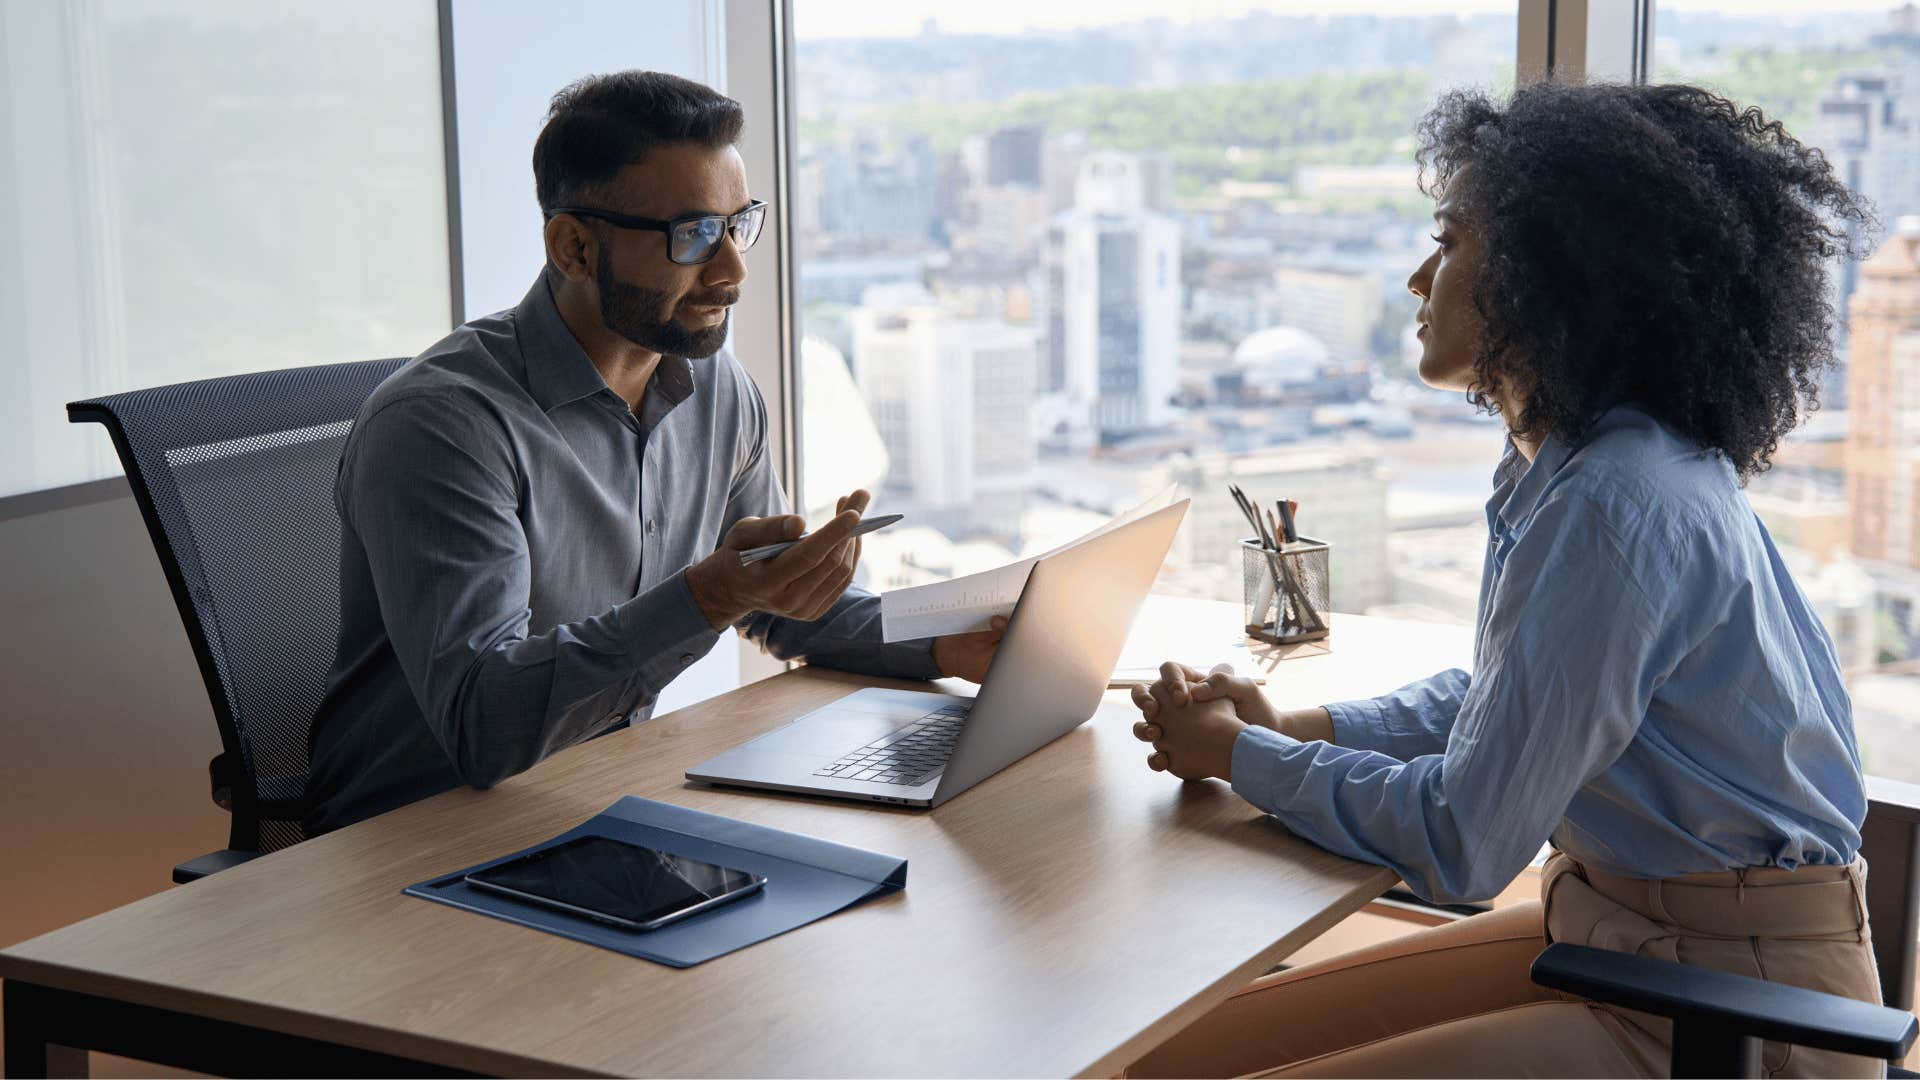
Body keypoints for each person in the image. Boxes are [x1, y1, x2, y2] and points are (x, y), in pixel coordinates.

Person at [1128, 81, 1883, 1078]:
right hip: (1628, 934)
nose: (1416, 279)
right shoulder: (1572, 466)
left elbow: (1466, 838)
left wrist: (1238, 757)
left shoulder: (1613, 502)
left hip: (1731, 1008)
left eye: (1448, 243)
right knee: (1173, 1055)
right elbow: (1511, 706)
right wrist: (1296, 730)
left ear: (1549, 275)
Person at [303, 71, 1003, 835]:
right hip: (407, 841)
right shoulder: (443, 426)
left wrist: (942, 641)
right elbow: (483, 726)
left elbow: (781, 604)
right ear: (574, 246)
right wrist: (708, 598)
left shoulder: (715, 388)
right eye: (694, 235)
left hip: (592, 797)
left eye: (738, 226)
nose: (731, 270)